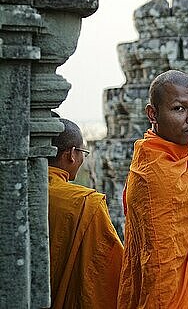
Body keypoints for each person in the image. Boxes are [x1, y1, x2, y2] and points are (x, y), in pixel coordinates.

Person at [118, 70, 188, 309]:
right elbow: (159, 265)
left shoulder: (181, 158)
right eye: (179, 109)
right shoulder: (152, 173)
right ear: (152, 114)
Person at [47, 118, 123, 308]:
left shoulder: (19, 190)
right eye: (83, 153)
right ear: (72, 154)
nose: (82, 159)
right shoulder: (87, 202)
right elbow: (109, 270)